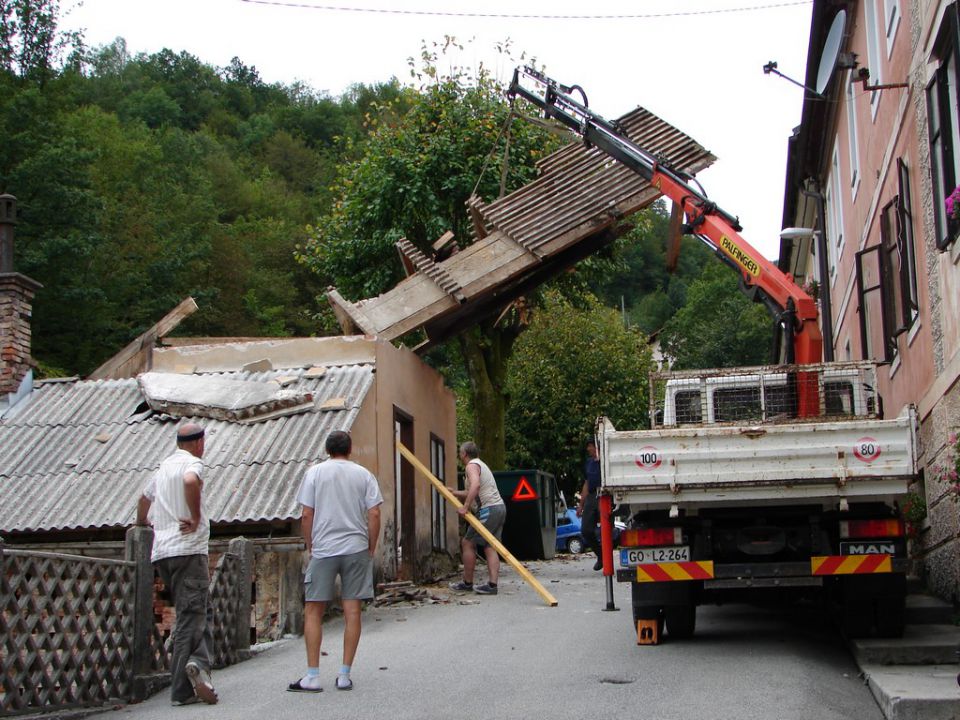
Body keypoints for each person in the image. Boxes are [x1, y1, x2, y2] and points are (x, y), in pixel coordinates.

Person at [288, 430, 383, 694]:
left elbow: (307, 514)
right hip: (355, 548)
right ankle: (344, 674)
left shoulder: (315, 473)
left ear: (328, 449)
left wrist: (311, 545)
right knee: (352, 611)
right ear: (349, 449)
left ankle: (312, 676)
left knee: (313, 611)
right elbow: (374, 512)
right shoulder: (363, 474)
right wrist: (370, 545)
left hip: (324, 549)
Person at [136, 423, 218, 707]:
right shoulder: (192, 464)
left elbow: (144, 500)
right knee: (190, 616)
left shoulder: (162, 468)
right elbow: (191, 482)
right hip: (189, 550)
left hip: (163, 552)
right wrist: (195, 517)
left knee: (201, 610)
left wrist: (143, 523)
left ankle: (200, 666)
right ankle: (182, 687)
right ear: (198, 443)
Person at [448, 441, 506, 596]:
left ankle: (467, 583)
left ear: (464, 454)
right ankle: (492, 585)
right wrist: (454, 493)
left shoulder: (471, 466)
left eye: (460, 453)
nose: (459, 456)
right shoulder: (480, 464)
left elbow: (475, 486)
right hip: (499, 507)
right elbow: (472, 490)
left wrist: (465, 507)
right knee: (490, 545)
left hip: (488, 509)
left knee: (467, 542)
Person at [576, 438, 603, 571]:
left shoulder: (605, 460)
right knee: (585, 530)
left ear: (596, 447)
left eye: (590, 446)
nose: (588, 449)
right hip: (592, 496)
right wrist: (581, 505)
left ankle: (607, 555)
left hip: (605, 495)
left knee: (608, 529)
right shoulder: (588, 463)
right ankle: (601, 555)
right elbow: (586, 484)